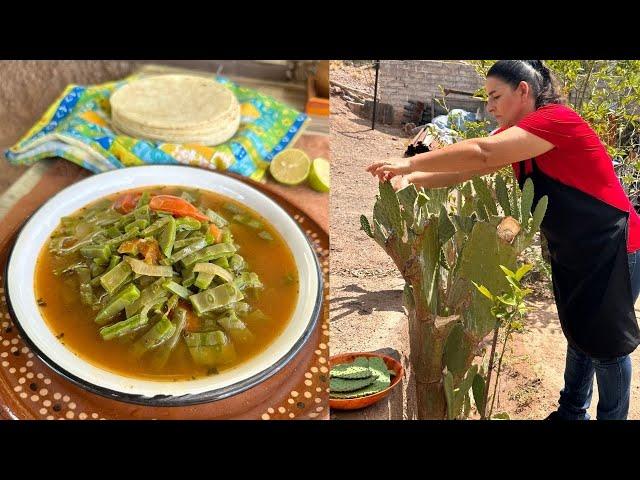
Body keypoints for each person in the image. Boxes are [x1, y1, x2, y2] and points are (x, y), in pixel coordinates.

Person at [367, 60, 640, 420]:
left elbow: (483, 152)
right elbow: (468, 168)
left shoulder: (556, 119)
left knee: (607, 347)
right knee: (579, 332)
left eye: (495, 96)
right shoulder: (517, 135)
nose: (490, 106)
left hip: (613, 245)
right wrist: (409, 178)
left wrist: (408, 164)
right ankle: (572, 411)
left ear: (523, 90)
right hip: (574, 249)